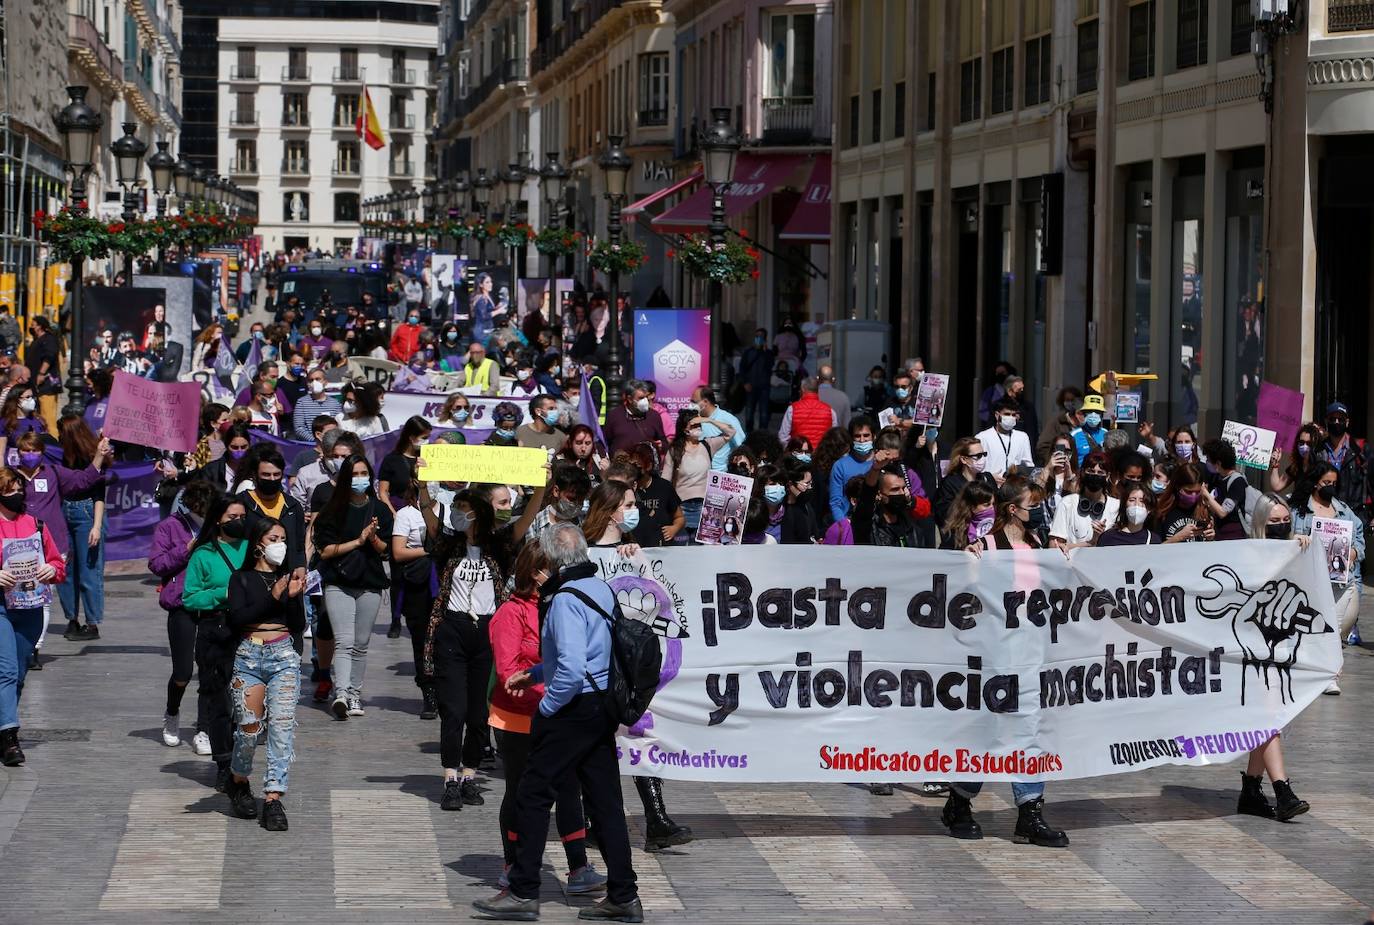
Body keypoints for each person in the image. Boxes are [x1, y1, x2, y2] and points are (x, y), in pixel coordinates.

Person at [471, 524, 642, 923]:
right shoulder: (598, 587)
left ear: (551, 560)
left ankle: (523, 890)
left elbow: (570, 667)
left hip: (573, 708)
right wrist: (533, 675)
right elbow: (587, 652)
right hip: (601, 705)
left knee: (531, 795)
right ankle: (624, 895)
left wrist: (547, 709)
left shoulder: (565, 599)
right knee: (605, 803)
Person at [487, 541, 607, 895]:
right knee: (520, 793)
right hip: (521, 718)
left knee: (570, 790)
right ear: (534, 572)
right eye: (551, 569)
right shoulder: (511, 613)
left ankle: (578, 868)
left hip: (559, 714)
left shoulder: (561, 604)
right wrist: (552, 692)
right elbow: (508, 671)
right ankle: (513, 865)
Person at [424, 480, 542, 811]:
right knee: (454, 710)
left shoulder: (500, 546)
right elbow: (430, 519)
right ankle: (449, 777)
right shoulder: (448, 546)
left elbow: (526, 520)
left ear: (479, 513)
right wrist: (422, 488)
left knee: (479, 713)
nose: (458, 515)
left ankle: (469, 775)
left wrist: (541, 489)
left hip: (487, 631)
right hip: (453, 630)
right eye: (456, 509)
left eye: (464, 509)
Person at [223, 517, 305, 830]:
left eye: (283, 538)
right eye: (273, 538)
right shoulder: (242, 578)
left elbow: (298, 626)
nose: (279, 544)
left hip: (283, 655)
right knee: (248, 730)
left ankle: (273, 797)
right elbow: (239, 618)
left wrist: (294, 598)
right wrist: (274, 596)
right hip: (249, 657)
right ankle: (239, 780)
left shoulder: (287, 578)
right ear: (259, 543)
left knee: (282, 730)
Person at [1234, 491, 1312, 817]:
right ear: (1260, 524)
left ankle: (1251, 789)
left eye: (1285, 521)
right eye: (1274, 522)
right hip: (1250, 651)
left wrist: (1305, 547)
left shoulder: (1295, 551)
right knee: (1267, 720)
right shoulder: (1246, 555)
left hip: (1281, 651)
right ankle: (1283, 791)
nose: (1281, 527)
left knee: (1266, 720)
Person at [312, 454, 393, 719]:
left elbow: (388, 551)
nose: (360, 479)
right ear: (346, 478)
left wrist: (373, 540)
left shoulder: (380, 510)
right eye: (355, 474)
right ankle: (342, 694)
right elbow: (324, 550)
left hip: (370, 583)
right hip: (339, 582)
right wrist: (357, 542)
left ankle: (355, 694)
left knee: (361, 643)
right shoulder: (333, 509)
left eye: (364, 473)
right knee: (344, 641)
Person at [182, 494, 250, 791]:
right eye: (232, 517)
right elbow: (190, 597)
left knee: (247, 703)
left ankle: (242, 760)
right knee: (219, 700)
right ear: (218, 520)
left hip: (249, 628)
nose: (238, 522)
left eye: (242, 517)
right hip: (215, 629)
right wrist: (222, 593)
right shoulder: (203, 554)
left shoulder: (253, 548)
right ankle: (224, 763)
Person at [0, 468, 66, 767]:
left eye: (18, 488)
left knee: (20, 672)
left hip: (30, 608)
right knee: (7, 670)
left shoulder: (36, 524)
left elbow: (56, 562)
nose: (17, 494)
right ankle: (10, 738)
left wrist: (52, 569)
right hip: (1, 607)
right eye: (9, 490)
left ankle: (3, 724)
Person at [149, 480, 219, 749]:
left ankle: (204, 729)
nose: (203, 513)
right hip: (182, 604)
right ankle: (172, 711)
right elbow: (157, 563)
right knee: (183, 671)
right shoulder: (170, 526)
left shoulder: (219, 527)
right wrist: (186, 548)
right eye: (200, 508)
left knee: (209, 669)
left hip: (213, 603)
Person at [1291, 461, 1365, 679]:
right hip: (1309, 581)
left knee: (1334, 630)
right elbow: (1287, 535)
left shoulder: (1343, 510)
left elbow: (1359, 538)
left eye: (1334, 483)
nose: (1330, 486)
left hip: (1339, 582)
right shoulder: (1300, 510)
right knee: (1313, 629)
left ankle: (1330, 675)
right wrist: (1296, 539)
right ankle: (1322, 673)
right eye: (1326, 482)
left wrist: (1353, 553)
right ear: (1315, 483)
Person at [54, 415, 111, 640]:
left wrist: (96, 526)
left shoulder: (92, 457)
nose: (59, 438)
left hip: (87, 512)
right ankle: (72, 618)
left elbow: (99, 494)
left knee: (89, 570)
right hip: (63, 510)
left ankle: (92, 622)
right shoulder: (59, 457)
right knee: (65, 569)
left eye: (61, 434)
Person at [662, 409, 735, 540]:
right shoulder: (674, 451)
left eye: (699, 425)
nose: (698, 428)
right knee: (681, 550)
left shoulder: (708, 445)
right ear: (685, 429)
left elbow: (730, 432)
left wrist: (708, 420)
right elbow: (665, 482)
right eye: (693, 425)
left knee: (702, 551)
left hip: (705, 508)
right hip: (681, 508)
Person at [852, 449, 928, 549]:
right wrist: (875, 468)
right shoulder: (868, 524)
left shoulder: (911, 528)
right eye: (895, 489)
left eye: (903, 488)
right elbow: (867, 495)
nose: (901, 493)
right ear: (879, 494)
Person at [1049, 451, 1119, 549]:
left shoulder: (1116, 507)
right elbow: (1054, 545)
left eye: (1100, 473)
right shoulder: (1067, 503)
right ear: (1082, 473)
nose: (1095, 475)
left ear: (1107, 476)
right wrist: (1090, 543)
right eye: (1090, 471)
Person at [1316, 401, 1370, 521]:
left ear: (1347, 422)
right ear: (1326, 421)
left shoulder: (1361, 450)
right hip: (1325, 514)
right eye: (1332, 419)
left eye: (1340, 419)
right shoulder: (1318, 451)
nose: (1336, 422)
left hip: (1355, 516)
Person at [932, 436, 996, 529]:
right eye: (978, 456)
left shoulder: (987, 479)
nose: (982, 459)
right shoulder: (950, 483)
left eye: (983, 454)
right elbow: (944, 515)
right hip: (961, 536)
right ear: (964, 459)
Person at [1197, 439, 1250, 541]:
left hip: (1234, 535)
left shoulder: (1237, 481)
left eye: (1208, 459)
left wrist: (1206, 494)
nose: (1207, 462)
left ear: (1218, 463)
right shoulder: (1217, 479)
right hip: (1219, 533)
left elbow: (1222, 512)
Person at [377, 416, 432, 512]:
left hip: (425, 512)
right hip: (398, 512)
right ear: (411, 438)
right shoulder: (391, 460)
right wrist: (393, 515)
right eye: (424, 438)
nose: (428, 442)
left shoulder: (429, 458)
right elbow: (383, 492)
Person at [828, 416, 877, 523]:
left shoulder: (880, 463)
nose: (862, 440)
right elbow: (835, 503)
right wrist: (844, 526)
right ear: (851, 438)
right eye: (857, 436)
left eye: (866, 435)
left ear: (874, 436)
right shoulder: (840, 465)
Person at [602, 380, 667, 457]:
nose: (645, 401)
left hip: (647, 466)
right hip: (621, 466)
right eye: (641, 398)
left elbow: (664, 443)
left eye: (646, 397)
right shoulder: (614, 415)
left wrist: (661, 445)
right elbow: (604, 442)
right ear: (630, 399)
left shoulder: (654, 416)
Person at [975, 396, 1035, 478]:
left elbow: (1028, 465)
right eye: (1007, 414)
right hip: (991, 485)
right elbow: (976, 466)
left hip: (1014, 486)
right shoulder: (983, 437)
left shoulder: (1022, 437)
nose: (1011, 417)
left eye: (1013, 415)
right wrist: (988, 478)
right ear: (997, 415)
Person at [1156, 463, 1214, 544]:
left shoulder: (1204, 512)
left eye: (1197, 492)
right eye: (1188, 492)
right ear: (1177, 487)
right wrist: (1179, 537)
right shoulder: (1162, 513)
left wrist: (1210, 537)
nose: (1193, 496)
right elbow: (1154, 550)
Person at [692, 386, 745, 471]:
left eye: (694, 402)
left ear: (705, 402)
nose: (691, 405)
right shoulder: (693, 419)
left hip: (719, 474)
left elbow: (742, 446)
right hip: (697, 473)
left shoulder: (728, 419)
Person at [778, 377, 837, 449]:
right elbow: (834, 437)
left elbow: (783, 437)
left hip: (798, 455)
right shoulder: (830, 410)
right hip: (822, 456)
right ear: (817, 390)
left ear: (802, 389)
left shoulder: (792, 409)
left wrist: (791, 451)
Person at [1269, 423, 1325, 495]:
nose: (1304, 447)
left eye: (1309, 444)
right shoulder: (1297, 466)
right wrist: (1275, 464)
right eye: (1301, 442)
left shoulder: (1321, 468)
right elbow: (1277, 486)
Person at [941, 481, 997, 552]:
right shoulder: (954, 533)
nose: (992, 508)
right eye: (987, 505)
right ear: (972, 507)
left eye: (993, 504)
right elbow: (945, 557)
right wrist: (964, 554)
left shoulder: (997, 527)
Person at [1097, 482, 1158, 546]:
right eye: (1132, 500)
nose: (1136, 504)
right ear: (1125, 505)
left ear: (1149, 509)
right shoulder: (1108, 537)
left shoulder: (1153, 540)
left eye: (1142, 501)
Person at [738, 327, 775, 431]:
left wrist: (765, 351)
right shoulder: (748, 352)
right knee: (749, 412)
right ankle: (749, 434)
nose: (759, 338)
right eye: (757, 336)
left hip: (764, 386)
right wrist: (745, 383)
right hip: (750, 385)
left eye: (761, 337)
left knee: (764, 412)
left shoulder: (768, 353)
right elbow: (742, 368)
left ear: (765, 339)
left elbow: (770, 366)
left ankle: (762, 434)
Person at [290, 368, 341, 442]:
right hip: (310, 446)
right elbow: (299, 428)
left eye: (318, 379)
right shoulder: (301, 402)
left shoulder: (335, 403)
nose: (314, 382)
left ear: (325, 382)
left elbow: (338, 426)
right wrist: (316, 441)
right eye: (311, 380)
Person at [778, 457, 821, 544]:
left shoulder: (806, 505)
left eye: (811, 483)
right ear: (791, 485)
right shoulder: (787, 512)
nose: (810, 487)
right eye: (806, 483)